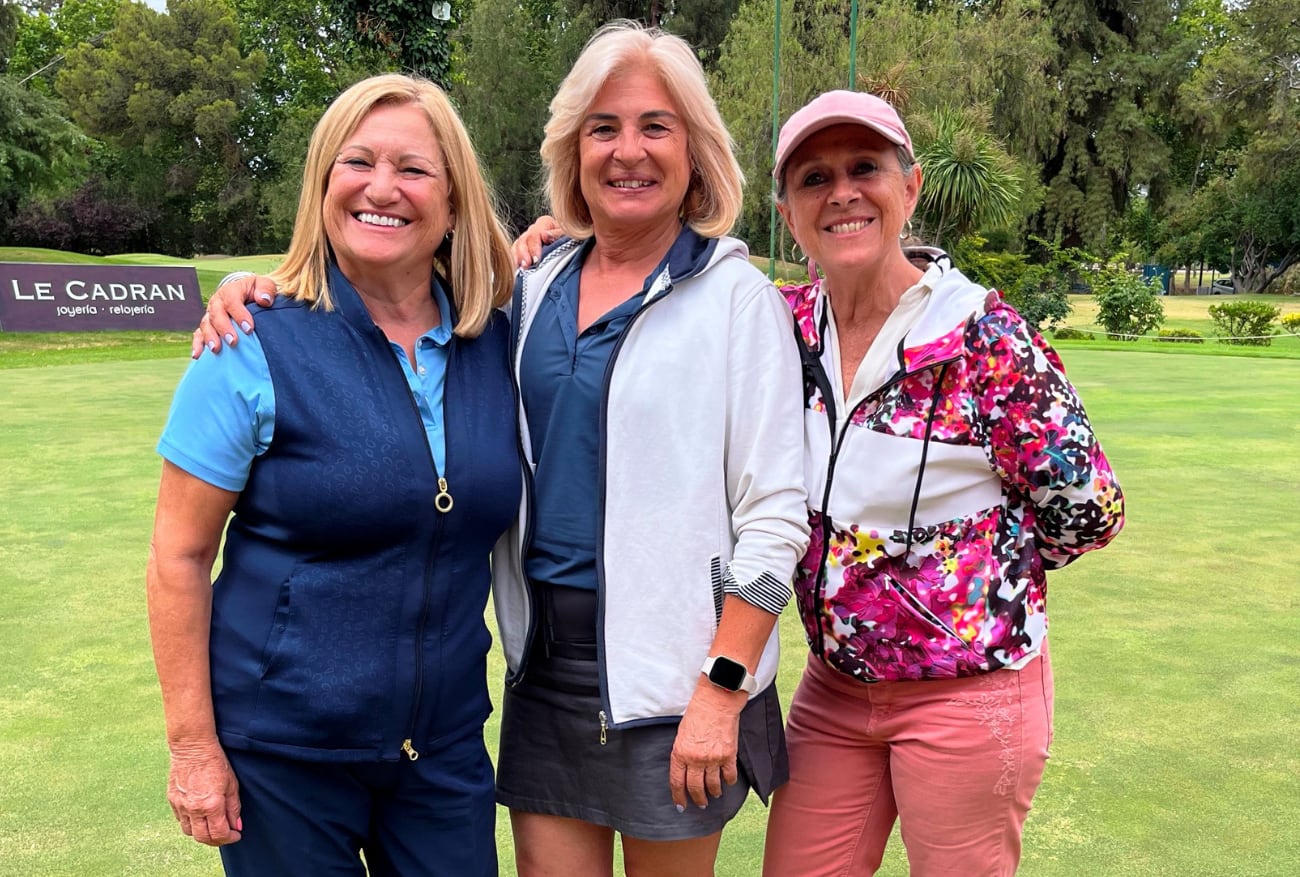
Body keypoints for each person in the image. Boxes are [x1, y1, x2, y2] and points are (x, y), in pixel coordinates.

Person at [195, 22, 809, 877]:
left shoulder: (741, 300)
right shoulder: (526, 289)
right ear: (573, 149)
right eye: (603, 127)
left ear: (697, 151)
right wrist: (249, 285)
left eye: (655, 126)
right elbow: (383, 279)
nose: (627, 150)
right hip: (542, 673)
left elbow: (779, 518)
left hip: (678, 681)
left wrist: (724, 684)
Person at [147, 73, 519, 877]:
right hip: (280, 757)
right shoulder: (249, 339)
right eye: (357, 161)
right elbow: (177, 557)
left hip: (441, 751)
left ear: (452, 202)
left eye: (414, 169)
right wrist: (192, 747)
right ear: (323, 184)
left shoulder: (496, 339)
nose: (382, 188)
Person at [759, 90, 1126, 876]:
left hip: (971, 691)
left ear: (911, 187)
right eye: (814, 179)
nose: (843, 193)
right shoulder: (776, 328)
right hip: (834, 690)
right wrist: (560, 241)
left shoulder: (985, 338)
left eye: (866, 168)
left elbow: (1089, 509)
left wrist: (971, 572)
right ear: (789, 212)